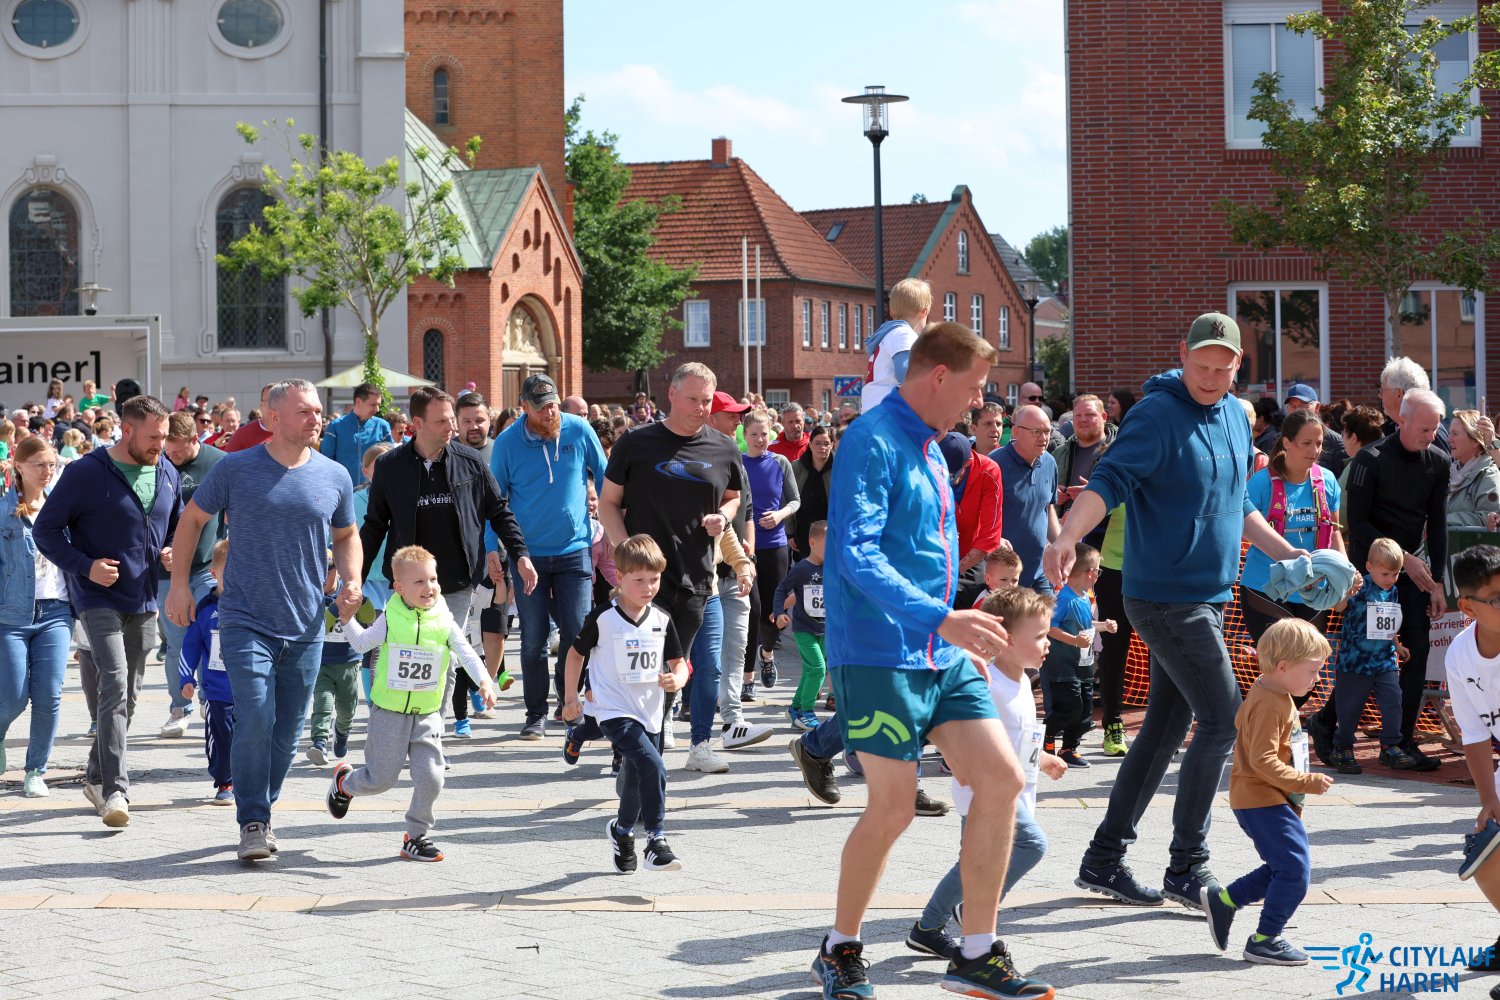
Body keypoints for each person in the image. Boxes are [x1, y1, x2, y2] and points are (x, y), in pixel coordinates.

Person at [812, 322, 1048, 999]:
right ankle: (839, 948)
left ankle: (976, 952)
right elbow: (856, 555)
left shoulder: (932, 449)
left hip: (939, 650)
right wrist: (942, 617)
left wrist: (956, 625)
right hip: (878, 653)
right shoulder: (871, 440)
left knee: (1001, 780)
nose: (979, 404)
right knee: (893, 809)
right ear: (938, 376)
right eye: (975, 389)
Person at [1044, 311, 1304, 910]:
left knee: (1163, 729)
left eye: (1222, 368)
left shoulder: (1237, 417)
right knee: (1223, 719)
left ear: (1238, 367)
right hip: (1163, 597)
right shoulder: (1156, 414)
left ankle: (1104, 859)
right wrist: (1067, 537)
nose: (1210, 377)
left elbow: (1237, 505)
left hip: (1209, 596)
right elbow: (1108, 481)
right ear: (1182, 355)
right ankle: (1187, 866)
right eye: (1201, 365)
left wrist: (1290, 554)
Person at [166, 378, 360, 861]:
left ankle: (262, 810)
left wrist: (351, 579)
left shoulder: (334, 474)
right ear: (273, 417)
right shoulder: (236, 468)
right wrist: (179, 585)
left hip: (307, 624)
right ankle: (252, 820)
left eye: (318, 411)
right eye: (305, 411)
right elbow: (192, 520)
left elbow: (346, 535)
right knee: (255, 715)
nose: (316, 419)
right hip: (245, 619)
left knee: (287, 731)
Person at [35, 394, 181, 829]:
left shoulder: (167, 471)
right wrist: (85, 567)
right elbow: (46, 530)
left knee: (129, 696)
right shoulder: (85, 472)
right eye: (153, 437)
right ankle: (116, 789)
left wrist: (171, 550)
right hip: (95, 596)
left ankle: (97, 775)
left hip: (144, 597)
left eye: (164, 437)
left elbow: (173, 527)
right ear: (127, 429)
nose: (160, 445)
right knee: (114, 683)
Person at [360, 386, 535, 738]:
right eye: (442, 421)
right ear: (417, 423)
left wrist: (521, 555)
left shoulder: (470, 461)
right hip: (406, 583)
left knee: (444, 656)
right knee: (405, 655)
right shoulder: (391, 467)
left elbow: (499, 510)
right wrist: (355, 577)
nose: (451, 427)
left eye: (452, 419)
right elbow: (375, 524)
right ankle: (399, 727)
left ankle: (430, 736)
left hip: (455, 580)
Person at [907, 587, 1066, 966]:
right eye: (1039, 636)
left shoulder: (1023, 681)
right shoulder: (986, 683)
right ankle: (977, 910)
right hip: (983, 792)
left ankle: (928, 929)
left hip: (1012, 791)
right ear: (1005, 639)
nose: (1048, 643)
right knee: (1032, 844)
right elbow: (958, 732)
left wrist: (1043, 759)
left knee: (970, 864)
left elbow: (1019, 738)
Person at [597, 363, 743, 763]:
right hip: (644, 582)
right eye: (692, 399)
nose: (700, 408)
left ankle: (647, 750)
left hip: (696, 577)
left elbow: (733, 498)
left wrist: (724, 516)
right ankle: (636, 753)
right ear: (672, 395)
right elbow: (608, 503)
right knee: (641, 671)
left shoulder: (724, 447)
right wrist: (627, 553)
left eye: (707, 401)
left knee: (673, 672)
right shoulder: (636, 443)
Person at [327, 545, 496, 863]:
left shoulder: (444, 620)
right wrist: (347, 619)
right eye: (419, 582)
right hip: (389, 712)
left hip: (427, 713)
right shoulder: (390, 618)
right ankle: (344, 784)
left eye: (433, 579)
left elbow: (466, 652)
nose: (429, 587)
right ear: (399, 587)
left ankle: (416, 837)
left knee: (432, 777)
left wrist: (485, 680)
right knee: (380, 780)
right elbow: (362, 643)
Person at [1326, 387, 1450, 771]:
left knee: (1416, 653)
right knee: (1364, 661)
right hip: (1372, 575)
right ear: (1402, 421)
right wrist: (1403, 558)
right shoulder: (1371, 459)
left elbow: (1438, 523)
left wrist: (1438, 582)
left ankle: (1400, 743)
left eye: (1436, 429)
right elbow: (1358, 523)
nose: (1431, 436)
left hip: (1412, 574)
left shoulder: (1439, 461)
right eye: (1424, 429)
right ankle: (1328, 724)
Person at [1201, 618, 1333, 967]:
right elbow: (1263, 760)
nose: (1317, 679)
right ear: (1283, 666)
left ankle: (1225, 901)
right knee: (1294, 872)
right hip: (1261, 799)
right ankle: (1265, 940)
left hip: (1267, 798)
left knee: (1284, 866)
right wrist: (1305, 782)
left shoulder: (1273, 693)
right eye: (1313, 671)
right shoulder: (1270, 703)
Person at [562, 535, 689, 874]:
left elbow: (679, 663)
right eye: (639, 580)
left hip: (651, 712)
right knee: (655, 766)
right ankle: (657, 840)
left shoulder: (661, 618)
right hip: (614, 711)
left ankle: (621, 831)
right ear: (619, 577)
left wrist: (677, 679)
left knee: (634, 779)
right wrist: (571, 697)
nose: (648, 588)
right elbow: (575, 655)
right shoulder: (604, 617)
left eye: (654, 579)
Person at [488, 374, 604, 739]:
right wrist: (493, 547)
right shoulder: (507, 443)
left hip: (574, 549)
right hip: (527, 556)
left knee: (577, 631)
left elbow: (605, 475)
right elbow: (494, 501)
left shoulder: (578, 429)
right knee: (534, 638)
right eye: (541, 408)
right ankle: (535, 713)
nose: (550, 412)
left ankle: (567, 700)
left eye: (553, 404)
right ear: (524, 407)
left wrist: (613, 527)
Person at [1236, 409, 1346, 646]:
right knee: (1280, 660)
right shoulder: (1261, 483)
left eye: (1319, 443)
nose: (1314, 450)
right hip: (1264, 587)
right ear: (1287, 442)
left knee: (1309, 662)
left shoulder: (1327, 480)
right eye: (1306, 443)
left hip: (1313, 590)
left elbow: (1334, 530)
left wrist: (1345, 574)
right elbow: (1243, 527)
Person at [0, 436, 72, 798]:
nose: (47, 471)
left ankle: (35, 770)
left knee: (49, 695)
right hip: (12, 615)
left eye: (52, 465)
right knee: (13, 697)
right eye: (39, 464)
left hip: (56, 612)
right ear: (19, 466)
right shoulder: (3, 511)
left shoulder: (63, 509)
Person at [703, 391, 772, 753]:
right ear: (709, 417)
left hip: (735, 571)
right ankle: (666, 720)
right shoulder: (697, 459)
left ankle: (733, 722)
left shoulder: (735, 459)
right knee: (695, 654)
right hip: (704, 575)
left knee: (735, 648)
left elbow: (746, 513)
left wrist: (749, 556)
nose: (738, 423)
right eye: (730, 416)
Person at [1444, 544, 1500, 987]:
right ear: (1467, 607)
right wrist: (1489, 800)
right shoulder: (1460, 654)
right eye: (1497, 598)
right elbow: (1475, 734)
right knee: (1486, 860)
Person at [156, 412, 226, 739]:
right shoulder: (157, 463)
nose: (171, 456)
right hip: (167, 572)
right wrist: (160, 550)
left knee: (211, 635)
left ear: (195, 439)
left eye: (178, 451)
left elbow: (233, 512)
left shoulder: (218, 462)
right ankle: (178, 708)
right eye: (167, 450)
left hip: (206, 567)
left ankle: (209, 698)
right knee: (177, 641)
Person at [1326, 538, 1417, 773]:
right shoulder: (1359, 586)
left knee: (1393, 700)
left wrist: (1397, 644)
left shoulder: (1392, 591)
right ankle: (1342, 747)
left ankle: (1390, 746)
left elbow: (1389, 621)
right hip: (1354, 661)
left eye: (1395, 574)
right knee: (1350, 706)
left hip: (1384, 659)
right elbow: (1338, 607)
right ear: (1369, 567)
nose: (1391, 579)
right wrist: (1347, 590)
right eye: (1385, 574)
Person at [741, 411, 800, 695]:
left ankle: (767, 655)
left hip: (775, 545)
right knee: (752, 611)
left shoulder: (780, 462)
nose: (759, 439)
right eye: (754, 434)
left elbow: (795, 501)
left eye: (764, 434)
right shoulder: (737, 462)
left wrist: (779, 515)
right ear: (745, 435)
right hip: (745, 548)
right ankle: (747, 679)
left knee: (772, 612)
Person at [1042, 543, 1116, 768]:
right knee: (1069, 708)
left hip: (1083, 666)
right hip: (1064, 667)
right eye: (1098, 571)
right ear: (1090, 573)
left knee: (1084, 712)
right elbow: (1050, 627)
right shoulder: (1064, 598)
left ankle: (1069, 749)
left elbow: (1085, 624)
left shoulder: (1084, 596)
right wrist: (1074, 640)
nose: (1098, 576)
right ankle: (1046, 740)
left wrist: (1103, 626)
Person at [177, 540, 234, 804]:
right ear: (213, 573)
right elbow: (190, 645)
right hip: (217, 691)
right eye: (227, 571)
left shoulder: (252, 605)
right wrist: (186, 678)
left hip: (249, 688)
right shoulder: (206, 610)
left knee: (250, 737)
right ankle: (224, 781)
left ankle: (249, 780)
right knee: (221, 738)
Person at [992, 405, 1060, 593]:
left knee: (1049, 613)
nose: (1044, 438)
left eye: (1047, 431)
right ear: (1016, 432)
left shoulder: (1049, 462)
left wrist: (1060, 544)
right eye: (1036, 432)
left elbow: (1047, 508)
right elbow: (979, 516)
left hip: (1040, 572)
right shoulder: (995, 465)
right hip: (1006, 576)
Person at [307, 554, 369, 761]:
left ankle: (342, 732)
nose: (323, 576)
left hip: (348, 663)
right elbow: (318, 628)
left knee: (347, 708)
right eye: (317, 570)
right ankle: (319, 742)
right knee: (322, 703)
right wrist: (335, 607)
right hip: (322, 663)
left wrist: (361, 601)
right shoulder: (310, 595)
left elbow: (369, 618)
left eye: (329, 570)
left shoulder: (348, 591)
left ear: (339, 571)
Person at [772, 519, 827, 731]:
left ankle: (795, 708)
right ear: (812, 542)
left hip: (826, 630)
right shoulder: (802, 569)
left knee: (810, 670)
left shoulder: (832, 568)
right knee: (818, 669)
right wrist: (779, 612)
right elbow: (781, 590)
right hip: (805, 630)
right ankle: (807, 711)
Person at [939, 432, 1004, 610]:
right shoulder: (929, 468)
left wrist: (954, 571)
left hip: (970, 556)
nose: (947, 481)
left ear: (968, 463)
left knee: (966, 599)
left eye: (952, 476)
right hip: (936, 553)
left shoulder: (989, 472)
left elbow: (989, 536)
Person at [861, 278, 932, 412]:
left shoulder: (889, 334)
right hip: (887, 410)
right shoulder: (903, 333)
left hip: (875, 408)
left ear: (892, 312)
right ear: (924, 311)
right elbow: (904, 373)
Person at [1052, 395, 1114, 526]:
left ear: (1104, 417)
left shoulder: (1118, 453)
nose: (1083, 419)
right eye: (1078, 415)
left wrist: (1094, 493)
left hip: (1102, 533)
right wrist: (1052, 494)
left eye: (1090, 414)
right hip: (1062, 531)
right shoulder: (1059, 453)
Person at [320, 382, 392, 486]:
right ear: (358, 401)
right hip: (344, 489)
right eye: (373, 405)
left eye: (378, 405)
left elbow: (391, 460)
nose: (377, 409)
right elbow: (326, 460)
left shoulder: (382, 426)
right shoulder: (335, 426)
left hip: (375, 490)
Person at [1379, 356, 1450, 454]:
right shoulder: (1391, 428)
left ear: (1399, 394)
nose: (1380, 396)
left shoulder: (1432, 435)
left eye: (1382, 391)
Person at [1447, 408, 1500, 530]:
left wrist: (1442, 520)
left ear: (1475, 441)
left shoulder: (1489, 475)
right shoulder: (1447, 472)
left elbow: (1486, 519)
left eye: (1455, 433)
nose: (1449, 439)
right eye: (1450, 433)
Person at [1336, 406, 1386, 534]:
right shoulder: (1386, 461)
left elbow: (1340, 519)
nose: (1342, 438)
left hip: (1355, 542)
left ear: (1353, 438)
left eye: (1343, 433)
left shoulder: (1356, 467)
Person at [789, 425, 835, 559]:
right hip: (802, 534)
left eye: (826, 443)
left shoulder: (840, 468)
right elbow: (787, 498)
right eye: (818, 443)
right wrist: (789, 532)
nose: (822, 447)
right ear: (810, 444)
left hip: (831, 534)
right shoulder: (796, 467)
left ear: (832, 445)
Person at [1282, 383, 1347, 475]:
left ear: (1317, 407)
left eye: (1302, 406)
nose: (1296, 411)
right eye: (1292, 406)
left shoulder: (1334, 441)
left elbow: (1342, 477)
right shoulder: (1280, 438)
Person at [220, 383, 275, 452]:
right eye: (269, 401)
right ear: (261, 405)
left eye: (278, 401)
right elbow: (227, 458)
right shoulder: (243, 434)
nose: (274, 405)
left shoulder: (287, 432)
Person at [457, 391, 495, 465]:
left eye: (479, 420)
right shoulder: (444, 454)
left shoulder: (500, 450)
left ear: (489, 420)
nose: (473, 427)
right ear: (457, 423)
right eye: (467, 421)